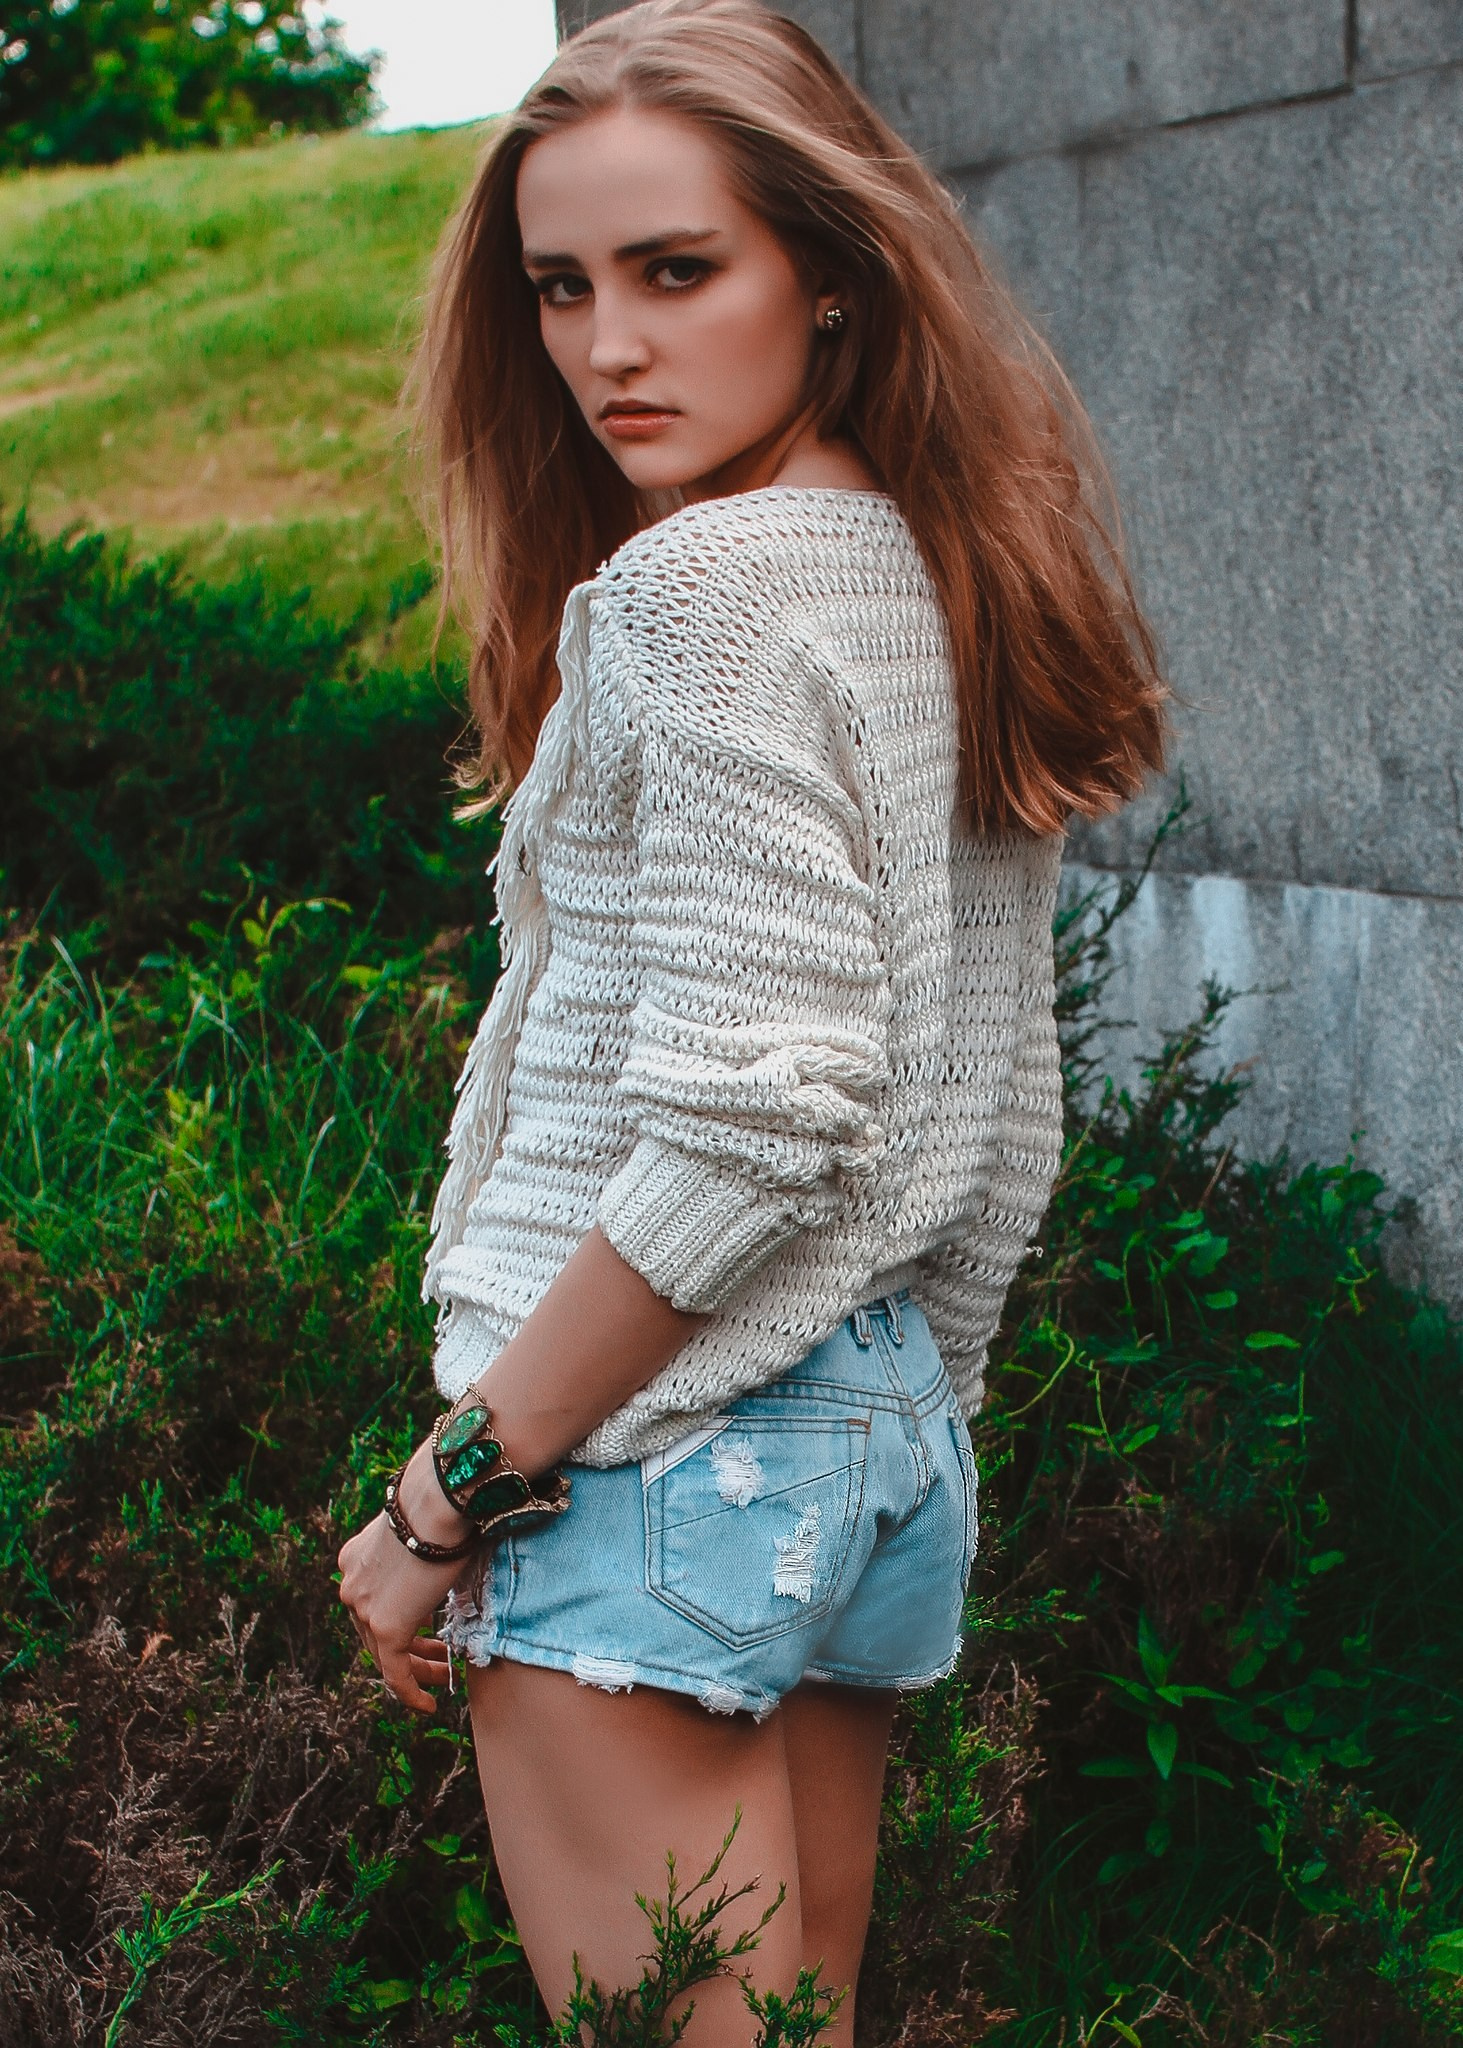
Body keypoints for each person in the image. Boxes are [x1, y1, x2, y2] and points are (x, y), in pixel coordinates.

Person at [337, 1, 1167, 2035]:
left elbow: (752, 1124)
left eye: (676, 270)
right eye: (561, 287)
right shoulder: (939, 572)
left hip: (651, 1451)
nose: (608, 347)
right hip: (872, 1430)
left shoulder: (704, 593)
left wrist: (443, 1496)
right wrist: (908, 1429)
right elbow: (1000, 1101)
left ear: (831, 275)